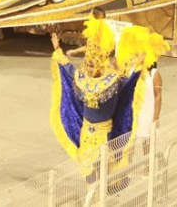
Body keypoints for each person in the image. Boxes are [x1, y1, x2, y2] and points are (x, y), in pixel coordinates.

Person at [49, 18, 150, 187]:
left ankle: (100, 195)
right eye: (87, 65)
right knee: (90, 171)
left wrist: (139, 64)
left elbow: (128, 84)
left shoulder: (109, 80)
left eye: (91, 65)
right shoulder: (87, 78)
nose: (88, 68)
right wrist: (57, 49)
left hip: (104, 135)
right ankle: (94, 196)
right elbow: (66, 67)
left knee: (102, 170)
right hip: (88, 133)